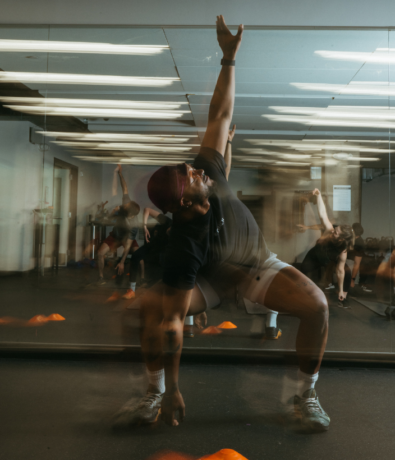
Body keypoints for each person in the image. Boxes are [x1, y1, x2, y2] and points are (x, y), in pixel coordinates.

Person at [113, 15, 330, 432]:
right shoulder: (184, 247)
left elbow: (220, 113)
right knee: (150, 308)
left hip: (255, 268)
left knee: (318, 306)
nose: (200, 173)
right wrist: (175, 386)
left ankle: (307, 396)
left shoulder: (207, 168)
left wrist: (228, 60)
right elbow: (175, 324)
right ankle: (153, 391)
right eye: (193, 179)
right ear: (186, 204)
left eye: (193, 171)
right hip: (209, 277)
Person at [300, 189, 354, 308]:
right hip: (315, 256)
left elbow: (340, 271)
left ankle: (342, 297)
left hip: (328, 259)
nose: (332, 231)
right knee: (301, 272)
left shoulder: (342, 250)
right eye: (335, 229)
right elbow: (323, 213)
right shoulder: (329, 229)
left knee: (346, 272)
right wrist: (319, 196)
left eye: (336, 232)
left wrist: (340, 290)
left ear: (340, 239)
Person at [97, 165, 140, 298]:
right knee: (100, 253)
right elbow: (124, 189)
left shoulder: (134, 224)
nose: (124, 205)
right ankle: (100, 277)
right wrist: (120, 174)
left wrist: (122, 261)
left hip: (127, 239)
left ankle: (141, 279)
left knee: (139, 257)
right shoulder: (125, 206)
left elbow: (127, 245)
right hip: (116, 235)